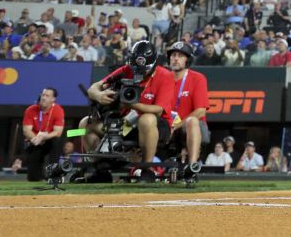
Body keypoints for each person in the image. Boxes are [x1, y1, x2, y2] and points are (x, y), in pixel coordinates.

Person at [80, 41, 175, 174]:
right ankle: (100, 168)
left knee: (146, 119)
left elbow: (158, 109)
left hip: (157, 126)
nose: (138, 72)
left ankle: (146, 168)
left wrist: (133, 105)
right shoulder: (126, 70)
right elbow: (93, 88)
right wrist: (99, 95)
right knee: (84, 124)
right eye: (135, 67)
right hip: (125, 124)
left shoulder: (165, 75)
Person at [166, 41, 209, 174]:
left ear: (188, 60)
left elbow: (200, 110)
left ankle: (192, 166)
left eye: (180, 56)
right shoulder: (163, 78)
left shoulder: (197, 78)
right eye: (173, 55)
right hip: (168, 126)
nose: (176, 58)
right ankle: (142, 168)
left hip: (191, 127)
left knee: (192, 121)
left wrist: (175, 126)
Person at [22, 87, 64, 181]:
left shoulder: (58, 110)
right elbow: (26, 130)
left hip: (49, 140)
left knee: (56, 140)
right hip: (35, 141)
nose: (43, 98)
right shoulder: (31, 110)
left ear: (53, 99)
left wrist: (45, 137)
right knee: (33, 178)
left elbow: (58, 132)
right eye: (43, 95)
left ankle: (54, 174)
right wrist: (36, 139)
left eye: (47, 96)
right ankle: (37, 177)